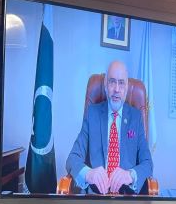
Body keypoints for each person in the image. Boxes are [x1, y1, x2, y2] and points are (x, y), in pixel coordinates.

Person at [66, 60, 153, 195]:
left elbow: (147, 163)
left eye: (121, 83)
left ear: (127, 87)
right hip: (95, 197)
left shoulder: (136, 118)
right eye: (112, 82)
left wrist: (130, 175)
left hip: (127, 198)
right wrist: (88, 174)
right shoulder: (92, 114)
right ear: (106, 85)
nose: (117, 89)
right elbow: (72, 159)